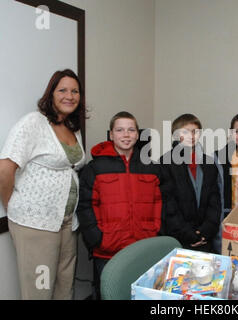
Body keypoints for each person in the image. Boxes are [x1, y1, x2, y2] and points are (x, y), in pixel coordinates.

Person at [0, 69, 86, 299]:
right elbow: (5, 168)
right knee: (39, 289)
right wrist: (11, 205)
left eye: (75, 91)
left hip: (67, 222)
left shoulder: (72, 128)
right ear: (51, 93)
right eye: (63, 90)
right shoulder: (33, 123)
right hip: (35, 223)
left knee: (65, 286)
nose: (70, 95)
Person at [76, 111, 174, 299]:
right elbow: (86, 206)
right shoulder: (95, 168)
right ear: (111, 134)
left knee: (144, 295)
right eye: (120, 130)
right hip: (107, 251)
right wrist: (98, 239)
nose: (126, 135)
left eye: (131, 130)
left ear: (138, 134)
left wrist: (157, 231)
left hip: (144, 248)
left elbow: (163, 202)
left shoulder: (152, 167)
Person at [159, 114, 221, 253]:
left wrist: (206, 230)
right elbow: (168, 204)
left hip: (206, 238)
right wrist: (188, 234)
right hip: (178, 239)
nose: (191, 136)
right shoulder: (165, 162)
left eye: (195, 131)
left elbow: (214, 200)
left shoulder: (209, 163)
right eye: (185, 132)